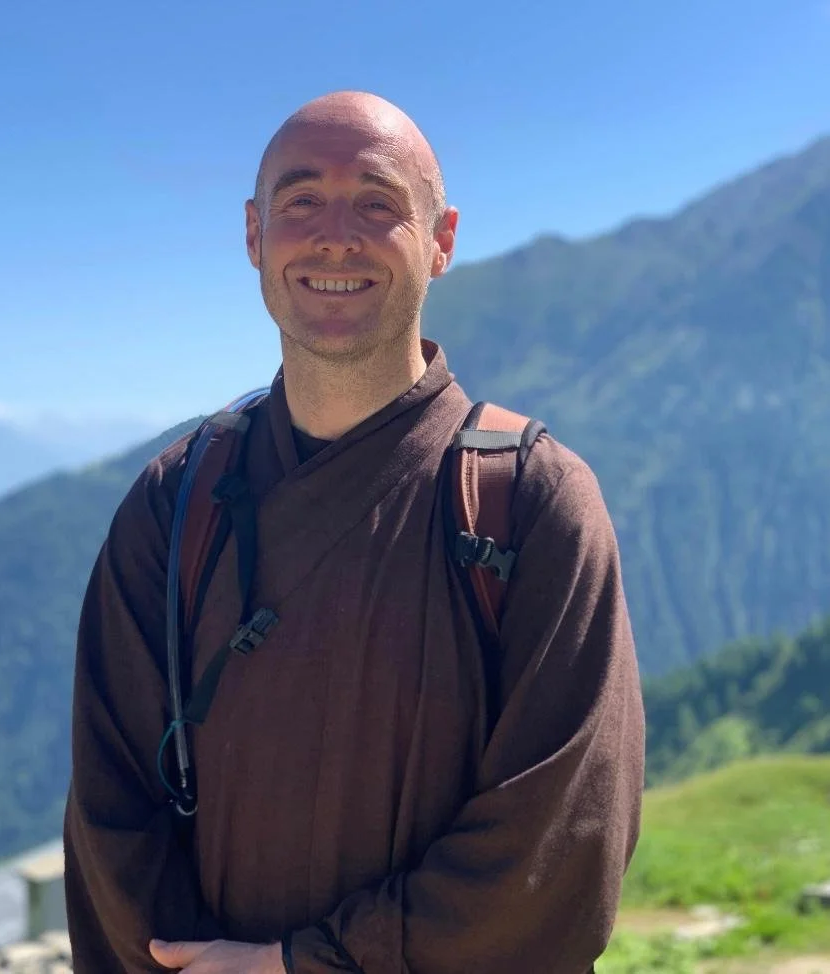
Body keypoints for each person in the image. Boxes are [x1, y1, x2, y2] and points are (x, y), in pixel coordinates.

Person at [62, 90, 645, 974]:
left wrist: (313, 966)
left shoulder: (528, 503)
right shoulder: (174, 502)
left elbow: (563, 834)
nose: (336, 235)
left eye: (377, 203)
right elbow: (110, 807)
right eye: (300, 202)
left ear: (441, 240)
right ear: (255, 236)